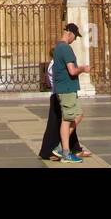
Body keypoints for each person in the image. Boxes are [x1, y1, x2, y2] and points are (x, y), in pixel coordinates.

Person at [38, 49, 90, 161]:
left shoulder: (55, 65)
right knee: (59, 125)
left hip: (61, 94)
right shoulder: (54, 66)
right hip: (59, 95)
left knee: (69, 121)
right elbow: (67, 74)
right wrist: (81, 69)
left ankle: (73, 149)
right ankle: (55, 149)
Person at [51, 23, 90, 163]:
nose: (74, 40)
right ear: (70, 33)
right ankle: (66, 153)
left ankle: (62, 147)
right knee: (67, 120)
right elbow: (72, 71)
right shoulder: (65, 48)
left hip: (66, 89)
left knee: (78, 115)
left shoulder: (58, 47)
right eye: (75, 37)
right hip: (66, 89)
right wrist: (83, 68)